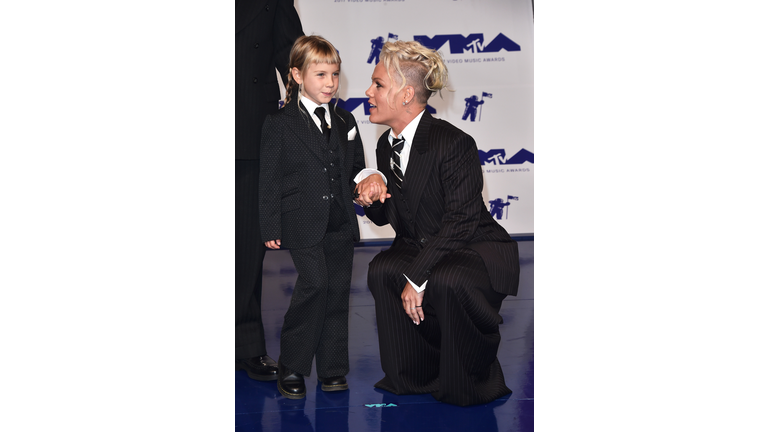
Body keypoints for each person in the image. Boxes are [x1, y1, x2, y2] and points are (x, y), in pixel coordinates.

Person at [354, 40, 521, 407]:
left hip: (475, 248)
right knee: (383, 269)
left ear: (406, 95)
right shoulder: (386, 145)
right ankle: (414, 375)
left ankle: (469, 383)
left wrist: (418, 276)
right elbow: (391, 215)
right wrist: (370, 194)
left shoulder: (454, 143)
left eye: (378, 84)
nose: (368, 91)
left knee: (448, 279)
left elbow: (461, 223)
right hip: (427, 245)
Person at [259, 35, 383, 399]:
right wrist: (270, 224)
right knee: (315, 286)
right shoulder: (279, 123)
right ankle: (293, 365)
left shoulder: (345, 120)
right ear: (296, 75)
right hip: (302, 220)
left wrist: (365, 181)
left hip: (341, 221)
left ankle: (332, 369)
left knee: (337, 293)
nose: (330, 83)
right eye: (320, 74)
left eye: (335, 74)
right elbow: (269, 179)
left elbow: (355, 167)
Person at [235, 0, 303, 382]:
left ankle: (245, 344)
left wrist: (309, 118)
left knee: (246, 246)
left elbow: (292, 55)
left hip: (247, 131)